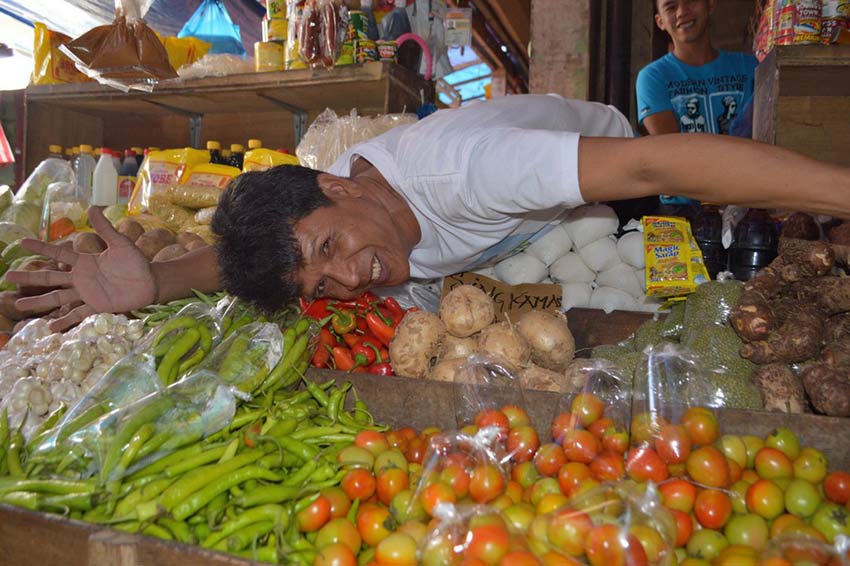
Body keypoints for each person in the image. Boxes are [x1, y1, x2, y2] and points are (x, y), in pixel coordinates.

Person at [8, 94, 850, 331]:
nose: (348, 276)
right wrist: (154, 282)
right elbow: (258, 262)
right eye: (322, 279)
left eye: (332, 247)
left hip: (608, 183)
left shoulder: (472, 174)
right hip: (516, 233)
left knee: (656, 270)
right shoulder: (323, 208)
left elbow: (658, 159)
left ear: (342, 190)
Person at [636, 0, 758, 136]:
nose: (682, 12)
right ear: (660, 22)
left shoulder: (749, 66)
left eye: (690, 1)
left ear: (710, 4)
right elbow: (671, 149)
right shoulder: (652, 78)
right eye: (671, 7)